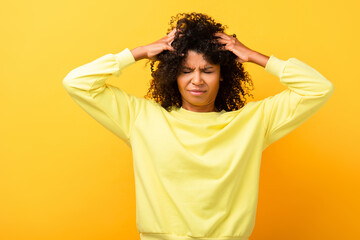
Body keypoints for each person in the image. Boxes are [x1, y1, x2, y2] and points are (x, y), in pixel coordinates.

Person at [63, 12, 334, 240]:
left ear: (222, 76)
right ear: (172, 75)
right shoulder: (141, 118)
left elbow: (318, 89)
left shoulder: (253, 122)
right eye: (185, 70)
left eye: (207, 70)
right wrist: (138, 52)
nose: (197, 80)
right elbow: (76, 83)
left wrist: (254, 56)